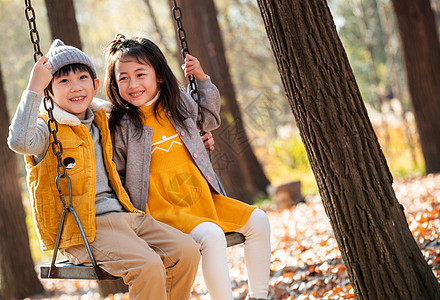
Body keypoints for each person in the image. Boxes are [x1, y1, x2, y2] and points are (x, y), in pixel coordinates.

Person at [7, 39, 200, 300]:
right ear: (48, 92)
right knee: (147, 266)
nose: (75, 87)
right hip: (84, 228)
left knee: (186, 251)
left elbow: (147, 133)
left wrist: (196, 139)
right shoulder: (45, 128)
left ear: (95, 84)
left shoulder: (104, 118)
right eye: (63, 81)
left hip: (127, 215)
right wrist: (32, 87)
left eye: (82, 78)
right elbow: (19, 141)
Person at [104, 34, 271, 300]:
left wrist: (202, 78)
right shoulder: (122, 124)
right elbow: (117, 172)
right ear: (114, 83)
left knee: (259, 220)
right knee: (213, 235)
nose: (132, 84)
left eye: (140, 74)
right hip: (163, 211)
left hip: (201, 198)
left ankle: (259, 295)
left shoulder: (178, 103)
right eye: (123, 77)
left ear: (159, 75)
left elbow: (209, 118)